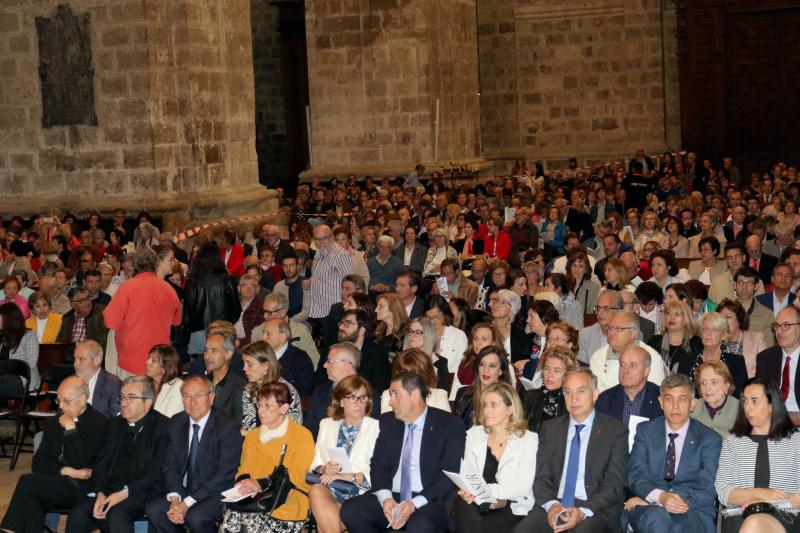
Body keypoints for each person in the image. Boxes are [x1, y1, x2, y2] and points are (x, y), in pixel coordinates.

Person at [340, 372, 466, 533]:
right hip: (393, 494)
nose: (391, 402)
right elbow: (379, 464)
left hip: (429, 499)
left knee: (420, 525)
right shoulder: (388, 421)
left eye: (395, 395)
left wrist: (414, 504)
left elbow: (450, 475)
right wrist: (386, 498)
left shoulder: (449, 424)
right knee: (351, 510)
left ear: (414, 394)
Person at [513, 368, 628, 533]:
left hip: (594, 509)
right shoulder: (550, 428)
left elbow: (614, 483)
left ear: (595, 394)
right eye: (568, 392)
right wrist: (552, 505)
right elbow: (541, 477)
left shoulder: (615, 430)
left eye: (581, 391)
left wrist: (583, 511)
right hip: (554, 504)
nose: (574, 399)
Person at [1, 376, 109, 533]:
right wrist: (66, 471)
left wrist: (71, 429)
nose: (62, 406)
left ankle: (7, 529)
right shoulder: (54, 422)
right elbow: (37, 463)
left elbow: (79, 462)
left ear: (83, 399)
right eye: (59, 401)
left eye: (67, 401)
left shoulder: (99, 423)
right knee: (32, 501)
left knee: (27, 482)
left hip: (82, 488)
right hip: (55, 481)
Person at [65, 376, 169, 533]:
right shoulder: (114, 424)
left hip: (142, 491)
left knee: (116, 514)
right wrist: (100, 491)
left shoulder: (163, 427)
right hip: (110, 489)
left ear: (147, 402)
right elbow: (101, 462)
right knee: (78, 513)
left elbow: (155, 472)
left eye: (131, 398)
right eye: (122, 397)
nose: (124, 403)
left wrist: (124, 492)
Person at [624, 373, 722, 533]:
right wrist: (660, 498)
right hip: (650, 509)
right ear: (661, 402)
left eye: (682, 399)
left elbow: (708, 488)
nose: (675, 406)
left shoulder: (709, 439)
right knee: (655, 518)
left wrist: (666, 501)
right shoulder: (645, 431)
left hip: (691, 509)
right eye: (669, 399)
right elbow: (635, 475)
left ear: (693, 404)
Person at [145, 375, 243, 533]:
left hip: (216, 491)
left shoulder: (227, 426)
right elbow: (170, 464)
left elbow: (224, 474)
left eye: (199, 395)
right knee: (154, 509)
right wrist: (175, 498)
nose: (193, 401)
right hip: (184, 489)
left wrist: (187, 503)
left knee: (196, 516)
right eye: (187, 396)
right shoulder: (176, 422)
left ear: (211, 398)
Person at [220, 382, 314, 533]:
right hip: (253, 497)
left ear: (284, 408)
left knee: (249, 528)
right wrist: (243, 482)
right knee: (230, 525)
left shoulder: (301, 436)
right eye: (259, 405)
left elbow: (295, 476)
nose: (261, 411)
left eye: (267, 406)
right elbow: (244, 468)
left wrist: (259, 483)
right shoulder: (252, 436)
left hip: (287, 500)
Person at [715, 378, 800, 533]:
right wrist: (759, 493)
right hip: (739, 515)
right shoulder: (732, 442)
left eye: (755, 401)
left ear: (772, 405)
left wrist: (765, 501)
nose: (748, 407)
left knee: (754, 524)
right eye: (745, 401)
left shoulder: (796, 441)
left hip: (784, 515)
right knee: (752, 523)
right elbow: (723, 491)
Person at [455, 382, 538, 531]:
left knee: (479, 522)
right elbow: (468, 473)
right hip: (475, 501)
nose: (487, 410)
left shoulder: (528, 439)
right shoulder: (475, 434)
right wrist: (470, 491)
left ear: (510, 409)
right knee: (463, 506)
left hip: (510, 505)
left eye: (493, 405)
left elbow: (523, 486)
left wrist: (486, 491)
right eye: (485, 405)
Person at [309, 376, 380, 533]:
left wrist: (346, 476)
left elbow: (378, 472)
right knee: (316, 490)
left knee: (326, 521)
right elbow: (315, 464)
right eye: (352, 398)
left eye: (363, 397)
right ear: (341, 401)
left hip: (360, 490)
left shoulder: (377, 428)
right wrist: (325, 468)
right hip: (331, 487)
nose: (359, 403)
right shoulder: (326, 424)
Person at [103, 246, 182, 377]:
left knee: (131, 396)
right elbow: (177, 320)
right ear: (155, 263)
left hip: (131, 361)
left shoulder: (127, 288)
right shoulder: (169, 289)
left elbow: (109, 321)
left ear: (135, 265)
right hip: (159, 363)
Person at [182, 242, 241, 359]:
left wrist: (189, 330)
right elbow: (236, 309)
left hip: (198, 331)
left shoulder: (193, 281)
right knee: (223, 369)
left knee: (198, 371)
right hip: (222, 331)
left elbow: (187, 311)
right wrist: (228, 324)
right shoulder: (226, 279)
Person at [589, 311, 666, 392]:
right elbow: (596, 394)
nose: (611, 332)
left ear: (633, 333)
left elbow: (655, 393)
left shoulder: (652, 357)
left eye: (618, 328)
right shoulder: (598, 357)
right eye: (609, 327)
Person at [674, 312, 748, 396]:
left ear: (724, 335)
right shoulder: (686, 361)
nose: (708, 333)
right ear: (701, 334)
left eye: (715, 329)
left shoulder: (736, 362)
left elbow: (741, 396)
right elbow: (680, 394)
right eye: (705, 328)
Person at [241, 340, 302, 431]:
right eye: (244, 363)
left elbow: (292, 430)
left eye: (249, 364)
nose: (244, 368)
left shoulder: (287, 392)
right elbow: (249, 427)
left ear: (266, 366)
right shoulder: (250, 389)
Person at [595, 346, 663, 424]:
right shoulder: (604, 400)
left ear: (646, 371)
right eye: (622, 365)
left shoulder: (660, 398)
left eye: (632, 365)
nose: (625, 371)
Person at [755, 306, 800, 423]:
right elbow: (760, 395)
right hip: (772, 421)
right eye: (776, 326)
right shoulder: (765, 358)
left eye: (785, 326)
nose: (778, 331)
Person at [454, 345, 514, 430]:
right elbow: (454, 429)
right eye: (482, 364)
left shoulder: (508, 398)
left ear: (501, 371)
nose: (486, 370)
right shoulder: (463, 394)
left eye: (492, 366)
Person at [522, 346, 576, 432]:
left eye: (556, 370)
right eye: (547, 368)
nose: (550, 374)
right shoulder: (529, 397)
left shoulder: (573, 402)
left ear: (568, 374)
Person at [309, 224, 355, 324]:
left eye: (324, 238)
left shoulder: (340, 254)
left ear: (332, 237)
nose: (321, 242)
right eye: (317, 239)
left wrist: (347, 308)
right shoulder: (319, 253)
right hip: (319, 310)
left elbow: (350, 283)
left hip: (333, 311)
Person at [380, 348, 450, 413]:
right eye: (402, 373)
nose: (407, 379)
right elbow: (385, 424)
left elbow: (447, 425)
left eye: (413, 374)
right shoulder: (388, 395)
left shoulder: (439, 396)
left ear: (424, 374)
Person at [261, 317, 314, 395]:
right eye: (263, 333)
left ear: (282, 337)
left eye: (268, 334)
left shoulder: (301, 359)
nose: (263, 338)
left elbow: (303, 390)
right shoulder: (259, 354)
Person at [647, 300, 703, 371]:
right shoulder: (654, 342)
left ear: (686, 319)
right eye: (668, 313)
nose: (671, 317)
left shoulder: (696, 343)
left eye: (677, 314)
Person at [204, 329, 246, 421]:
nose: (207, 356)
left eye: (214, 350)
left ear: (228, 354)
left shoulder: (241, 388)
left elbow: (243, 427)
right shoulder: (202, 383)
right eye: (206, 350)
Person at [717, 298, 766, 378]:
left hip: (750, 387)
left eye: (728, 317)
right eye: (721, 318)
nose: (724, 321)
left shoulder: (757, 338)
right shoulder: (715, 341)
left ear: (739, 319)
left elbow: (764, 371)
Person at [73, 339, 121, 418]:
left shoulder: (113, 384)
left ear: (96, 360)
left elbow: (115, 419)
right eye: (75, 359)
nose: (75, 364)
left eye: (81, 359)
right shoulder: (70, 382)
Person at [691, 361, 740, 437]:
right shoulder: (692, 408)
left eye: (714, 382)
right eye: (703, 383)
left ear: (727, 385)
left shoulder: (740, 410)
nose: (707, 388)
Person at [0, 302, 40, 396]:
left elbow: (31, 364)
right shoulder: (3, 337)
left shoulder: (29, 336)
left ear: (8, 319)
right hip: (4, 378)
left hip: (23, 379)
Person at [424, 294, 469, 375]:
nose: (431, 322)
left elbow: (464, 369)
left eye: (436, 317)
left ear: (445, 314)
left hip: (450, 382)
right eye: (428, 317)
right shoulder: (420, 333)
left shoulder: (458, 336)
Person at [56, 286, 109, 354]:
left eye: (88, 298)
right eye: (82, 301)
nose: (87, 302)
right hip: (71, 357)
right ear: (73, 304)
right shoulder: (67, 318)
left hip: (92, 355)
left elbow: (105, 340)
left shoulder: (102, 312)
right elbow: (61, 342)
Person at [146, 344, 185, 418]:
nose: (147, 362)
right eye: (149, 358)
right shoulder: (146, 384)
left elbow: (169, 421)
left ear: (165, 368)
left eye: (153, 361)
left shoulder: (178, 388)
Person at [234, 273, 265, 341]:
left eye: (252, 285)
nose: (248, 288)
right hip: (231, 339)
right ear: (238, 288)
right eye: (245, 285)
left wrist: (239, 343)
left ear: (257, 289)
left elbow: (260, 333)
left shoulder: (262, 305)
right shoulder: (233, 303)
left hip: (249, 343)